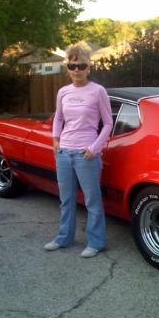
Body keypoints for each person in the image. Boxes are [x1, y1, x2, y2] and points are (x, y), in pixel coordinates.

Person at [44, 43, 113, 257]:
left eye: (81, 65)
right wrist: (55, 139)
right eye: (72, 66)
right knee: (66, 200)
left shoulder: (98, 91)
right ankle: (64, 238)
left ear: (88, 68)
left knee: (92, 201)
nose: (76, 70)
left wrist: (94, 148)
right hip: (64, 153)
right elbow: (59, 117)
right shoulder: (63, 92)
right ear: (67, 68)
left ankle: (96, 242)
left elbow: (108, 123)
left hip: (86, 155)